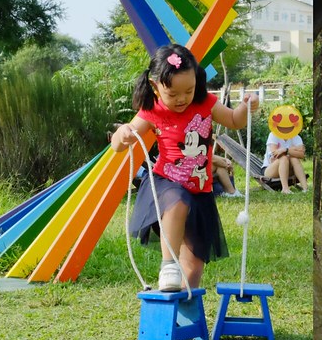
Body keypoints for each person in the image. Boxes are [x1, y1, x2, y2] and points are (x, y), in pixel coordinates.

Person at [111, 43, 259, 292]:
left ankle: (185, 313)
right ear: (156, 86)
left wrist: (246, 107)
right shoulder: (152, 110)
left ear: (197, 82)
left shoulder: (206, 103)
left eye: (188, 91)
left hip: (199, 192)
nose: (182, 99)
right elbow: (120, 143)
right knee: (178, 203)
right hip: (165, 184)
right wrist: (122, 133)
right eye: (173, 94)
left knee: (194, 266)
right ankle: (168, 264)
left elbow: (235, 121)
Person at [262, 107, 308, 194]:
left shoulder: (296, 137)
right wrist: (293, 150)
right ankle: (285, 189)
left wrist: (285, 150)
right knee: (284, 158)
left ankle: (305, 188)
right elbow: (275, 154)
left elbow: (302, 154)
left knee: (294, 158)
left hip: (289, 169)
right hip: (270, 169)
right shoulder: (273, 135)